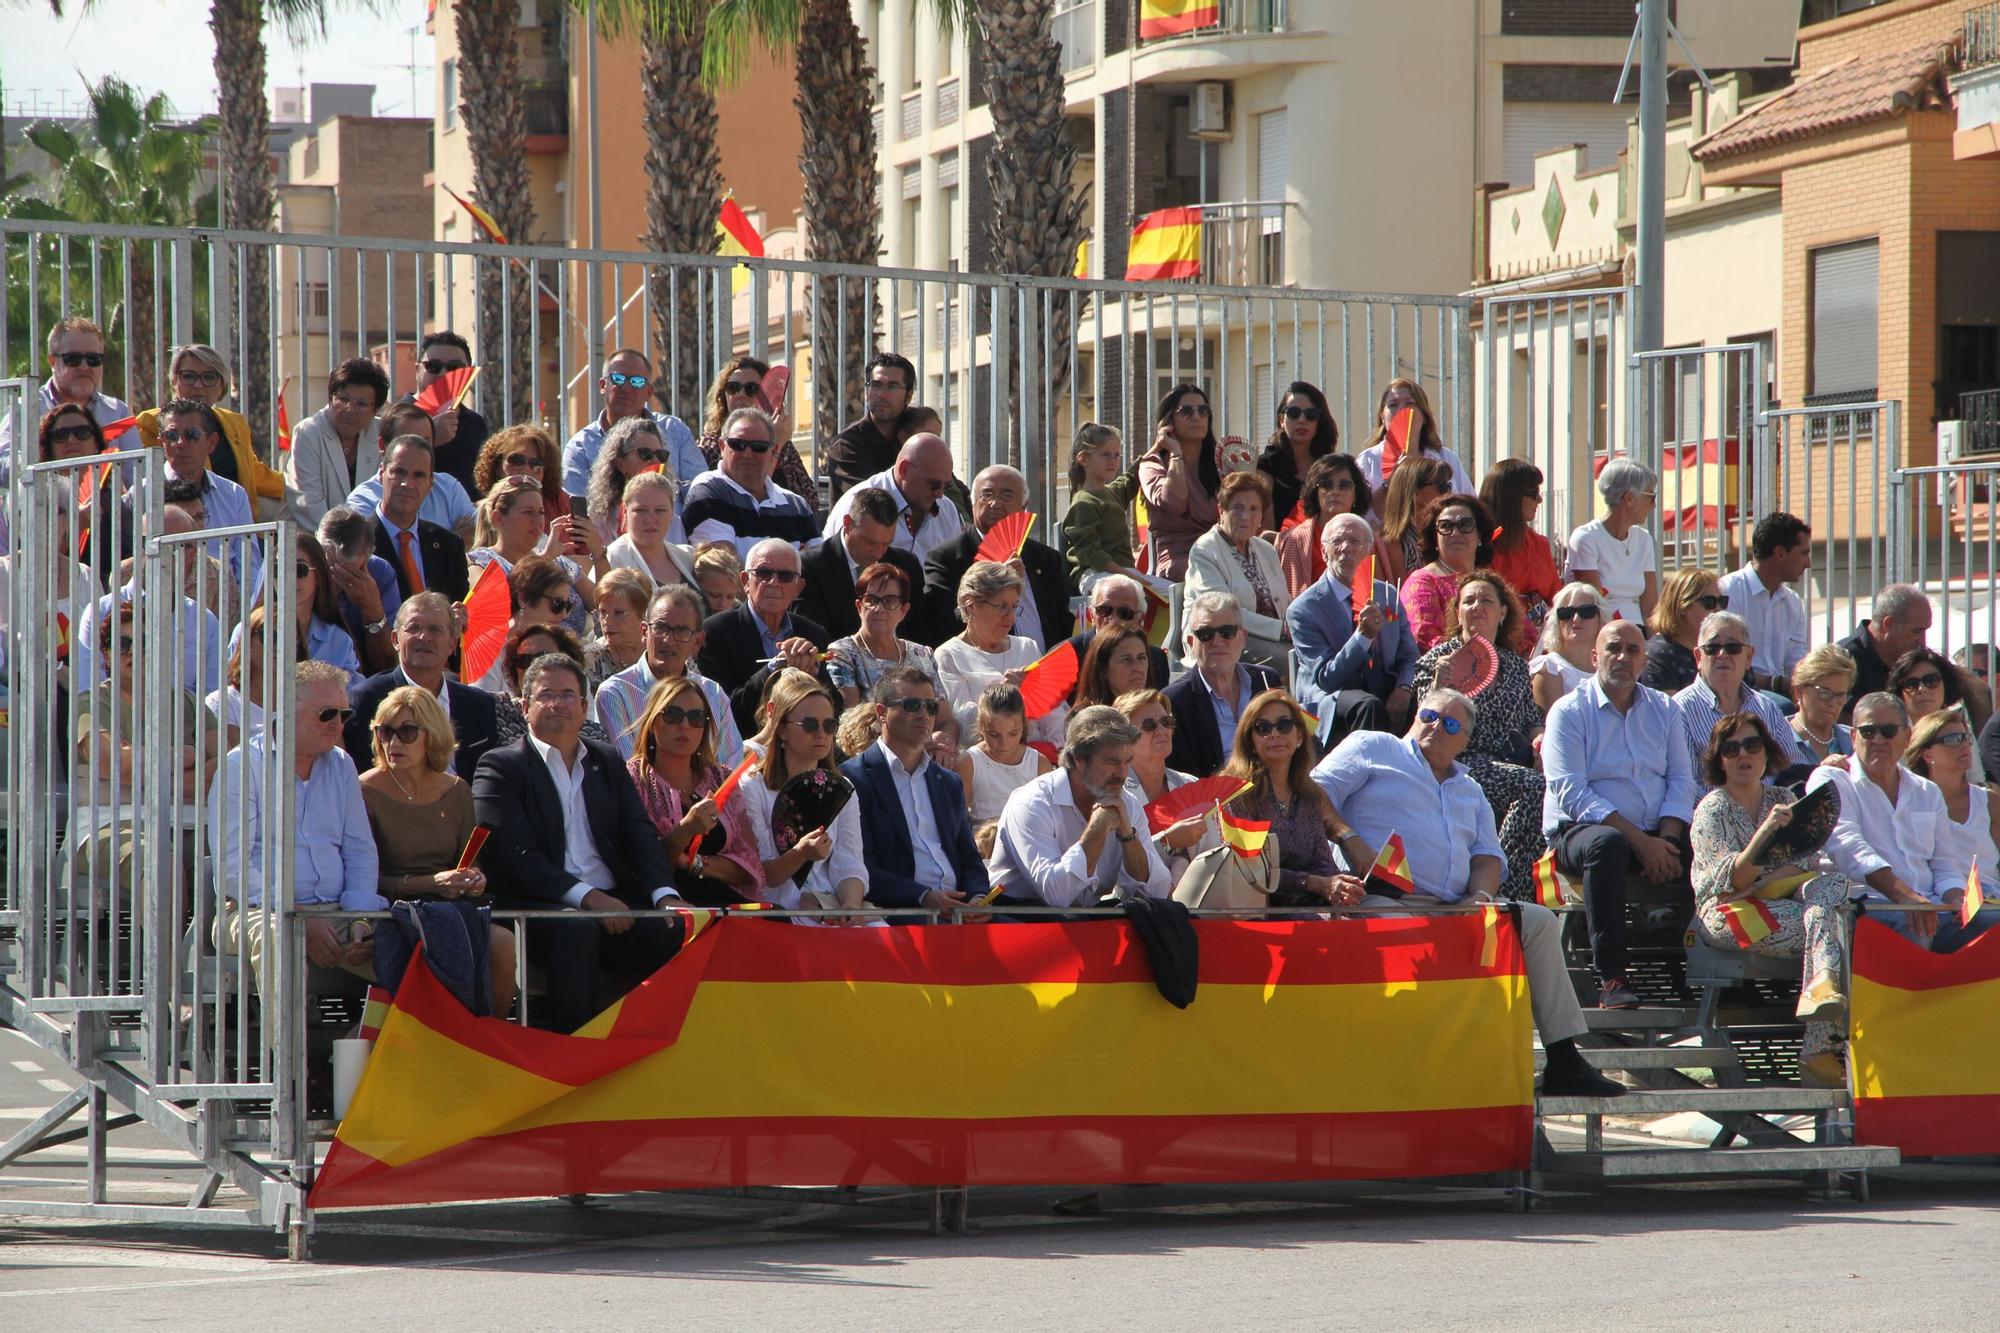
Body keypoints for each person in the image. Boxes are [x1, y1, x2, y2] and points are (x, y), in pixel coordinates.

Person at [1309, 689, 1626, 1098]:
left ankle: (1563, 1058)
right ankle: (1412, 1069)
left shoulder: (1469, 789)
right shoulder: (1373, 746)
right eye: (1429, 714)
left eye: (1451, 724)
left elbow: (1488, 857)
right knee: (1399, 929)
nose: (1437, 726)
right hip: (1379, 899)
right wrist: (1349, 839)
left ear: (1465, 743)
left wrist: (1478, 896)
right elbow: (1311, 792)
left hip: (1453, 907)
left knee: (1538, 921)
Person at [472, 652, 689, 1033]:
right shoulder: (500, 767)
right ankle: (571, 1051)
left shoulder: (606, 760)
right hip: (540, 908)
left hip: (614, 900)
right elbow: (516, 858)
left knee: (677, 928)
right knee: (578, 929)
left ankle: (658, 1047)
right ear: (524, 707)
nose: (557, 703)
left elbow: (639, 833)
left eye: (568, 694)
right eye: (546, 695)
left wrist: (664, 894)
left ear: (584, 706)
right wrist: (588, 898)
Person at [1688, 711, 1853, 1086]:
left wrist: (1771, 875)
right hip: (1729, 912)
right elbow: (1733, 881)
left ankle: (1822, 990)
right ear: (1719, 760)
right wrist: (1765, 836)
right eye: (1731, 748)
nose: (1743, 754)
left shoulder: (1783, 797)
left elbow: (1804, 866)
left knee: (1833, 888)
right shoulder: (1712, 808)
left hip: (1789, 900)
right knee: (1833, 931)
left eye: (1752, 744)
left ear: (1766, 751)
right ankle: (1818, 1046)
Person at [1542, 619, 1700, 1010]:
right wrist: (1643, 843)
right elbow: (1572, 792)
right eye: (1614, 648)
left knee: (1708, 840)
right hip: (1582, 832)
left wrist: (1664, 840)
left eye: (1633, 650)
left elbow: (1682, 779)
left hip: (1654, 834)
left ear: (1644, 661)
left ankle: (1705, 971)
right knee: (1607, 844)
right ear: (1595, 657)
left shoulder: (1664, 709)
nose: (1623, 657)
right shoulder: (1568, 711)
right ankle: (1612, 978)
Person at [209, 661, 384, 1001]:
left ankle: (372, 1050)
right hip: (257, 911)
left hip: (336, 911)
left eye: (344, 715)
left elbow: (360, 850)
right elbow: (232, 871)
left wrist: (361, 918)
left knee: (407, 940)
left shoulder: (343, 765)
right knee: (279, 938)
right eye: (327, 714)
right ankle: (283, 1055)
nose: (337, 725)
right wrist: (295, 913)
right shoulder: (241, 766)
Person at [359, 684, 518, 1015]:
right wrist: (433, 883)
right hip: (392, 910)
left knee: (503, 944)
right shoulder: (363, 790)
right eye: (385, 731)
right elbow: (368, 879)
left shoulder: (457, 789)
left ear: (430, 734)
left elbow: (470, 862)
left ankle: (486, 1039)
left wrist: (473, 879)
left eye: (406, 731)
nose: (393, 742)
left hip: (452, 906)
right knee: (426, 944)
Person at [1809, 693, 1994, 955]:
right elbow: (1848, 847)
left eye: (1887, 731)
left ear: (1907, 737)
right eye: (1868, 731)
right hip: (1866, 907)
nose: (1878, 740)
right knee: (1915, 930)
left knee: (1993, 926)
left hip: (1928, 907)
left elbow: (1945, 864)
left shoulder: (1927, 791)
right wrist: (1904, 896)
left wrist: (1956, 897)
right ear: (1853, 737)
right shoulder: (1831, 779)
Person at [1409, 572, 1546, 898]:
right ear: (1458, 612)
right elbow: (1424, 722)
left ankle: (1526, 892)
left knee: (1549, 783)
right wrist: (1439, 684)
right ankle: (1504, 885)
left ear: (1502, 612)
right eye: (1468, 601)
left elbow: (1530, 721)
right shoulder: (1439, 660)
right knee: (1533, 786)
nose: (1476, 606)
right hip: (1462, 760)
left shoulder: (1515, 666)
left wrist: (1541, 741)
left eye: (1486, 600)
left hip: (1510, 759)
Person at [987, 705, 1172, 906]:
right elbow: (1057, 896)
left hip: (1082, 924)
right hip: (1016, 922)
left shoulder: (1126, 802)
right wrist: (1098, 828)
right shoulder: (1032, 803)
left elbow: (1158, 892)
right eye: (1112, 763)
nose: (1122, 773)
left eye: (1127, 762)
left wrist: (1128, 836)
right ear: (1079, 759)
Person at [844, 667, 991, 914]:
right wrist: (922, 896)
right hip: (902, 913)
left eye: (931, 707)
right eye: (912, 705)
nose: (924, 715)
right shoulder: (854, 778)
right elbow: (857, 866)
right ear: (882, 713)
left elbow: (970, 860)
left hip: (959, 912)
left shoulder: (948, 782)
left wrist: (978, 897)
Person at [736, 669, 868, 917]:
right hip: (776, 912)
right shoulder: (752, 786)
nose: (821, 734)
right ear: (782, 729)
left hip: (830, 905)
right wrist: (799, 854)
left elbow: (849, 862)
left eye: (829, 725)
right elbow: (763, 874)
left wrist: (850, 907)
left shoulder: (842, 789)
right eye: (809, 724)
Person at [626, 675, 764, 906]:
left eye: (696, 718)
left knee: (779, 921)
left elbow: (750, 866)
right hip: (664, 906)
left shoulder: (721, 777)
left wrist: (693, 862)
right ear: (652, 722)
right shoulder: (632, 779)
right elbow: (640, 864)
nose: (684, 725)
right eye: (672, 714)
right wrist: (686, 829)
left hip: (722, 899)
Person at [1287, 513, 1416, 747]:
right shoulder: (1303, 609)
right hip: (1332, 696)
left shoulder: (1387, 594)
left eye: (1355, 541)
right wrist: (1363, 637)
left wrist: (1404, 688)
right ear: (1324, 551)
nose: (1346, 547)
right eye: (1337, 541)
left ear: (1368, 551)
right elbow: (1327, 678)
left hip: (1383, 683)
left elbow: (1409, 655)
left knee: (1428, 702)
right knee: (1368, 705)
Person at [919, 463, 1069, 650]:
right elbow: (943, 624)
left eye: (1006, 495)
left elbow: (1063, 624)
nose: (995, 503)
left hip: (1044, 669)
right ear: (972, 504)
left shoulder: (1047, 559)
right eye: (986, 495)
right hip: (983, 667)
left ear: (1024, 506)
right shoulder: (947, 557)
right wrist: (992, 584)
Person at [346, 591, 499, 774]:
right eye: (414, 628)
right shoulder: (367, 700)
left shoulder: (480, 705)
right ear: (395, 640)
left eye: (435, 629)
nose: (424, 637)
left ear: (451, 645)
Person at [694, 537, 830, 737]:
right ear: (745, 582)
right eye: (763, 573)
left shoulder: (813, 634)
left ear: (798, 588)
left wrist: (813, 674)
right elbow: (722, 709)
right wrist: (774, 668)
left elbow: (834, 707)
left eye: (784, 576)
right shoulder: (715, 632)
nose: (774, 582)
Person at [592, 583, 741, 764]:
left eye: (681, 631)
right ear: (644, 632)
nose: (668, 640)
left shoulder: (713, 694)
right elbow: (634, 771)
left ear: (697, 641)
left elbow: (732, 765)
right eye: (660, 628)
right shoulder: (616, 693)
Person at [1220, 690, 1341, 905]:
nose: (1274, 734)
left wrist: (1338, 883)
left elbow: (1323, 861)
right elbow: (1249, 869)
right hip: (1261, 909)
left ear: (1299, 737)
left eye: (1284, 725)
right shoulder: (1237, 794)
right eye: (1263, 728)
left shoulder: (1309, 795)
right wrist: (1310, 882)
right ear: (1251, 742)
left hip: (1310, 902)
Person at [134, 343, 286, 509]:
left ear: (221, 386)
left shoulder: (235, 424)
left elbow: (256, 475)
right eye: (189, 376)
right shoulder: (152, 423)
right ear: (174, 382)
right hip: (181, 521)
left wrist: (301, 487)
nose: (198, 385)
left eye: (209, 377)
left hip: (236, 519)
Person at [1669, 610, 1810, 784]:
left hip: (1773, 807)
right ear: (1698, 657)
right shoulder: (1679, 711)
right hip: (1711, 809)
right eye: (1712, 648)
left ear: (1749, 657)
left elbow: (1793, 766)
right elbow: (1687, 785)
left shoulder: (1766, 707)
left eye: (1733, 648)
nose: (1722, 655)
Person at [559, 347, 704, 507]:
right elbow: (578, 509)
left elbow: (698, 494)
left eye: (637, 382)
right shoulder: (580, 447)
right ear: (602, 385)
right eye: (618, 379)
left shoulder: (675, 430)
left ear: (649, 392)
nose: (627, 388)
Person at [933, 559, 1057, 743]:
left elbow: (1054, 712)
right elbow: (962, 726)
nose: (1010, 616)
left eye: (1014, 606)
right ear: (971, 606)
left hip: (1036, 755)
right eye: (1001, 606)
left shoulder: (1027, 647)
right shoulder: (948, 654)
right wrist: (1004, 695)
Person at [1164, 592, 1281, 778]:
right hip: (1216, 799)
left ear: (1243, 637)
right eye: (1205, 634)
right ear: (1191, 643)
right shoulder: (1174, 702)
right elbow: (1182, 777)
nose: (1217, 642)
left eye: (1227, 632)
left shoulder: (1266, 680)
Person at [1185, 469, 1290, 669]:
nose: (1246, 517)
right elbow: (1222, 614)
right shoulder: (1205, 550)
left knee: (1317, 650)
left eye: (1254, 509)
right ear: (1221, 510)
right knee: (1291, 660)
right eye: (1237, 508)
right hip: (1222, 637)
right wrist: (1282, 629)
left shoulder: (1266, 549)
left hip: (1273, 636)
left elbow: (1283, 600)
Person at [681, 407, 818, 557]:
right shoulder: (708, 490)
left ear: (773, 452)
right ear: (722, 447)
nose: (747, 454)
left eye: (758, 447)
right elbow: (723, 571)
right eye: (738, 444)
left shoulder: (797, 505)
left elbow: (819, 568)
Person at [469, 476, 595, 640]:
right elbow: (493, 610)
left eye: (541, 512)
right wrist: (543, 561)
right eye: (528, 512)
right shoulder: (480, 562)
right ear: (498, 518)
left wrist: (598, 553)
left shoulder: (557, 560)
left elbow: (603, 604)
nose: (538, 520)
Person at [156, 396, 260, 590]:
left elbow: (249, 570)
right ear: (161, 442)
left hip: (225, 606)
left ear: (212, 442)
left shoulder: (234, 495)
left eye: (191, 435)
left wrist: (245, 618)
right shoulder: (142, 493)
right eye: (171, 436)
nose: (180, 443)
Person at [1117, 687, 1219, 884]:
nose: (1162, 730)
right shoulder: (1115, 794)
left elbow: (1213, 856)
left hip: (1196, 901)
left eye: (1167, 722)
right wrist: (1167, 842)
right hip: (1136, 906)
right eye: (1149, 725)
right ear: (1124, 737)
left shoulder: (1191, 785)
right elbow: (1116, 866)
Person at [798, 485, 925, 642]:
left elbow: (919, 631)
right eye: (870, 542)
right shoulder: (810, 567)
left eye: (886, 543)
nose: (879, 553)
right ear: (847, 523)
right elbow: (813, 636)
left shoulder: (906, 565)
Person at [823, 433, 963, 566]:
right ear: (904, 470)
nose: (939, 494)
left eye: (947, 486)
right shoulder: (857, 505)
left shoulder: (947, 511)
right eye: (934, 484)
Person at [344, 401, 478, 541]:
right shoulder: (363, 500)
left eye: (424, 442)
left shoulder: (449, 488)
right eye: (406, 441)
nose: (416, 450)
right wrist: (451, 541)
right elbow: (374, 550)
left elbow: (479, 535)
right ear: (382, 445)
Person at [3, 316, 130, 458]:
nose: (84, 367)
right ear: (52, 361)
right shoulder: (24, 409)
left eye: (93, 359)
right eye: (73, 358)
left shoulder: (118, 412)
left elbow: (136, 473)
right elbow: (4, 463)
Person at [1716, 512, 1811, 700]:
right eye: (1804, 553)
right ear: (1780, 553)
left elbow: (1798, 666)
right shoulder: (1727, 591)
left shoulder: (1792, 603)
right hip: (1735, 692)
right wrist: (1775, 684)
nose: (1808, 563)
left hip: (1776, 695)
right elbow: (1720, 660)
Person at [287, 357, 389, 528]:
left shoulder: (382, 433)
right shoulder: (308, 433)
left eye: (361, 404)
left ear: (375, 410)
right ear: (330, 398)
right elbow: (308, 506)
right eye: (342, 399)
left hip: (368, 541)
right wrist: (348, 547)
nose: (349, 409)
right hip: (312, 542)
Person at [1137, 383, 1224, 580]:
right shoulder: (1152, 464)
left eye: (1203, 410)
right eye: (1186, 411)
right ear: (1169, 421)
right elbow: (1173, 503)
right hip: (1178, 558)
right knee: (1210, 573)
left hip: (1222, 549)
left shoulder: (1220, 462)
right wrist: (1176, 454)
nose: (1196, 416)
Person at [825, 561, 941, 708]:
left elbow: (945, 719)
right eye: (871, 600)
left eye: (889, 601)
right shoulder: (842, 653)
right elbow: (851, 717)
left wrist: (940, 732)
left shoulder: (922, 655)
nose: (879, 609)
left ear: (904, 610)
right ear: (859, 607)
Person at [696, 355, 813, 500]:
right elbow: (743, 498)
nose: (740, 395)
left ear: (766, 396)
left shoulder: (783, 443)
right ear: (723, 395)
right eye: (733, 388)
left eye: (751, 389)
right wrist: (774, 444)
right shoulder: (710, 445)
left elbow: (809, 500)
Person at [370, 436, 470, 603]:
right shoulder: (357, 541)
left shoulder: (449, 545)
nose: (407, 484)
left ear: (431, 483)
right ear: (381, 474)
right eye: (399, 472)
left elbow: (462, 609)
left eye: (419, 476)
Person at [1906, 708, 1999, 888]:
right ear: (1927, 754)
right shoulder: (1910, 802)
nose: (1965, 745)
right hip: (1937, 902)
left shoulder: (1990, 801)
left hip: (1990, 902)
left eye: (1966, 738)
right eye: (1953, 740)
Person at [488, 623, 616, 751]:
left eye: (544, 657)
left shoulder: (596, 738)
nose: (535, 665)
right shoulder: (501, 712)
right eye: (524, 660)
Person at [1567, 459, 1659, 626]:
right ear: (1629, 498)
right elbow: (1595, 604)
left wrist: (1653, 647)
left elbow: (1650, 608)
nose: (1653, 505)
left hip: (1636, 634)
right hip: (1601, 632)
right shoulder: (1586, 538)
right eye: (1651, 497)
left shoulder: (1644, 539)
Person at [1400, 492, 1494, 653]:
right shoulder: (1422, 582)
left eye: (1465, 525)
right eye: (1445, 526)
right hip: (1445, 670)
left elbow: (1523, 633)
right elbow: (1426, 640)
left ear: (1479, 534)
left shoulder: (1489, 580)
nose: (1455, 533)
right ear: (1434, 537)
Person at [1356, 378, 1472, 510]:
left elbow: (1470, 504)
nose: (1402, 410)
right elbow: (1361, 513)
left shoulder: (1446, 457)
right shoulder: (1368, 460)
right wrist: (1389, 485)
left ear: (1424, 415)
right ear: (1382, 417)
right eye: (1393, 405)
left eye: (1410, 404)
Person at [1481, 458, 1559, 650]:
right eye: (1533, 493)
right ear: (1511, 497)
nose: (1539, 500)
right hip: (1502, 638)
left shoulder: (1540, 543)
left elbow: (1555, 595)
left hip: (1545, 639)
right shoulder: (1484, 544)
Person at [1061, 422, 1142, 595]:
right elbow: (1091, 554)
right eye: (1106, 455)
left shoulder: (1110, 493)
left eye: (1117, 455)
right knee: (1123, 592)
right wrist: (1127, 575)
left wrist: (1158, 449)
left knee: (1170, 592)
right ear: (1083, 459)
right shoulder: (1083, 503)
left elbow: (1130, 479)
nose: (1113, 461)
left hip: (1122, 572)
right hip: (1094, 574)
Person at [954, 681, 1053, 823]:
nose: (1004, 744)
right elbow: (960, 820)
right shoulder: (968, 763)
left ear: (1024, 726)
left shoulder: (1039, 764)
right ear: (981, 727)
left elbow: (1049, 817)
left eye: (1013, 733)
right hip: (984, 840)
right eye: (994, 734)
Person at [1274, 452, 1370, 597]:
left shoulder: (1372, 540)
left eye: (1344, 485)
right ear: (1315, 492)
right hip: (1310, 616)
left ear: (1356, 493)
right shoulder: (1292, 540)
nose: (1335, 491)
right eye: (1326, 485)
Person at [583, 414, 686, 550]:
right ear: (620, 464)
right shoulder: (599, 521)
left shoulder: (673, 522)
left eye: (661, 455)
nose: (655, 461)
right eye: (645, 454)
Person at [318, 506, 400, 673]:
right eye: (328, 567)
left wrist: (372, 610)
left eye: (347, 571)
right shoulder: (301, 567)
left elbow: (387, 667)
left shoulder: (380, 573)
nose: (334, 577)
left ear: (366, 559)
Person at [825, 351, 915, 503]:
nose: (882, 394)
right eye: (876, 385)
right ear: (867, 391)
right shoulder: (846, 446)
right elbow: (875, 501)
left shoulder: (915, 435)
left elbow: (945, 485)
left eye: (892, 386)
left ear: (909, 395)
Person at [405, 330, 489, 491]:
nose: (443, 374)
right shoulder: (396, 418)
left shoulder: (475, 424)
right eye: (433, 366)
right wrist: (431, 438)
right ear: (417, 370)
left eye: (454, 367)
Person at [601, 469, 699, 597]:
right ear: (624, 512)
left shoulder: (688, 556)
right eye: (641, 510)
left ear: (671, 514)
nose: (650, 519)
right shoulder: (611, 559)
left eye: (660, 510)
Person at [1837, 583, 1933, 715]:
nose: (1923, 641)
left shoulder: (1917, 659)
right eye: (1916, 632)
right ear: (1888, 624)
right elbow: (1838, 724)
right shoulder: (1845, 660)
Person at [1256, 380, 1340, 527]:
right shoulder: (1265, 465)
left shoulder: (1329, 467)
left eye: (1311, 414)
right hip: (1276, 546)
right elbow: (1264, 529)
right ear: (1281, 419)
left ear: (1319, 422)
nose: (1302, 420)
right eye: (1293, 413)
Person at [1066, 575, 1170, 689]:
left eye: (1124, 613)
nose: (1114, 619)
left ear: (1140, 619)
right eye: (1104, 610)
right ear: (1092, 614)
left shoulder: (1156, 658)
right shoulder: (1069, 655)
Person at [1641, 567, 1726, 695]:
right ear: (1681, 605)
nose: (1718, 609)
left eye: (1722, 601)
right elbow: (1667, 711)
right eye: (1709, 602)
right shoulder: (1658, 654)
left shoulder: (1728, 647)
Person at [1373, 454, 1453, 586]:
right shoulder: (1394, 542)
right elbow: (1404, 595)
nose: (1448, 492)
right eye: (1441, 485)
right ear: (1414, 492)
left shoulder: (1447, 533)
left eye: (1448, 485)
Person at [1530, 583, 1609, 714]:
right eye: (1566, 613)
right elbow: (1554, 727)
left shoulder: (1609, 667)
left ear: (1601, 619)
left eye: (1586, 611)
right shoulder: (1549, 668)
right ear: (1557, 622)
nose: (1576, 619)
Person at [473, 423, 568, 519]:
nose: (525, 470)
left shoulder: (561, 505)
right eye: (517, 460)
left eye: (536, 464)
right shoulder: (475, 514)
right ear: (497, 466)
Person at [1889, 644, 1990, 733]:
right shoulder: (1890, 735)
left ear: (1946, 685)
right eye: (1911, 684)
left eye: (1931, 680)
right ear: (1900, 692)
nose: (1922, 688)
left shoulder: (1961, 732)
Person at [1789, 644, 1857, 765]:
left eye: (1840, 695)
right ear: (1799, 691)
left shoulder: (1855, 740)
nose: (1833, 703)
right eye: (1825, 692)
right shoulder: (1776, 740)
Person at [586, 567, 651, 691]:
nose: (607, 621)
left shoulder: (664, 650)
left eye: (619, 613)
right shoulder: (590, 660)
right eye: (603, 612)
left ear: (643, 614)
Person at [1071, 625, 1152, 711]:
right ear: (1102, 668)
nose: (1138, 668)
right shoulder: (1088, 720)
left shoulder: (1157, 713)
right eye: (1127, 659)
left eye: (1142, 658)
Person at [691, 542, 743, 617]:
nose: (722, 604)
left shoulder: (739, 617)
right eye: (714, 595)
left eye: (730, 597)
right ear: (696, 584)